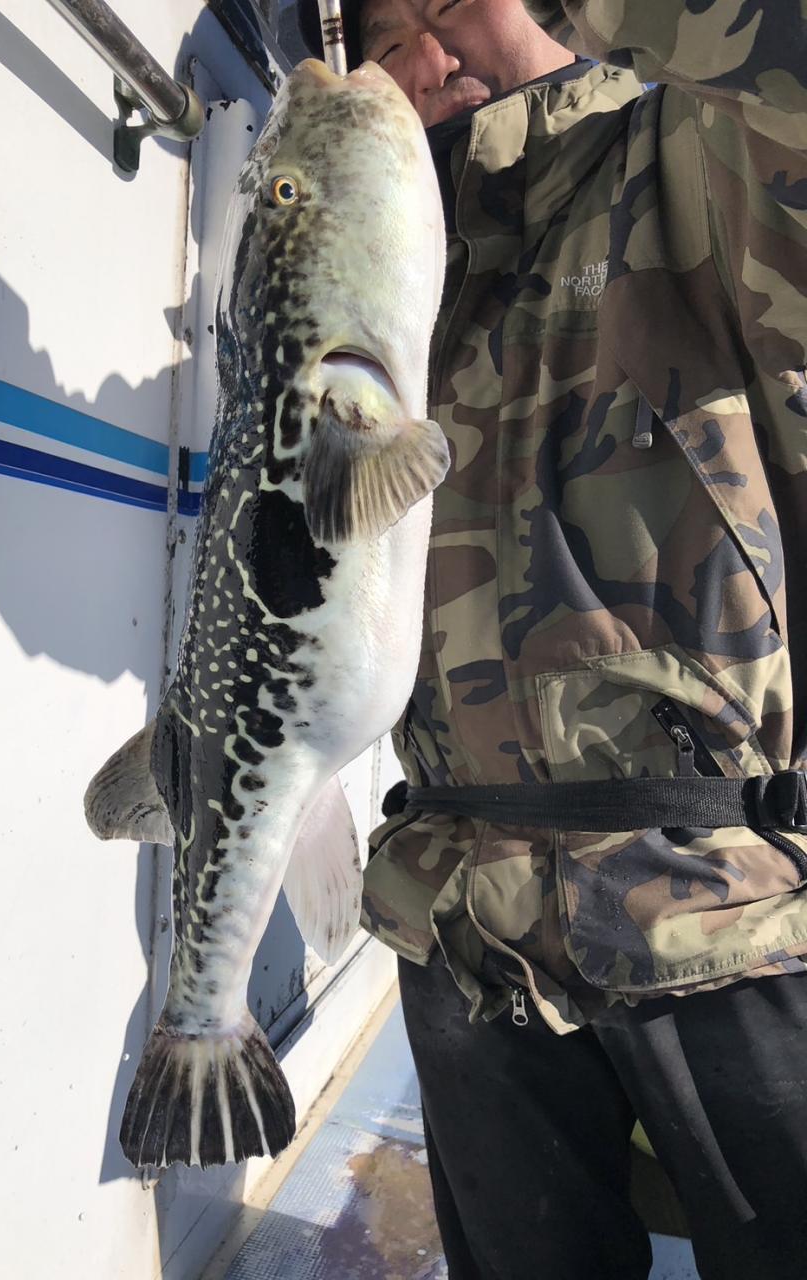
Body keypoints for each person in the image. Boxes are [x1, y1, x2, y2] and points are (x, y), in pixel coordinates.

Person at [297, 3, 807, 1277]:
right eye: (388, 32)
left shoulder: (691, 152)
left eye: (454, 1)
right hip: (458, 922)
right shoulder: (393, 271)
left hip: (721, 905)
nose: (430, 49)